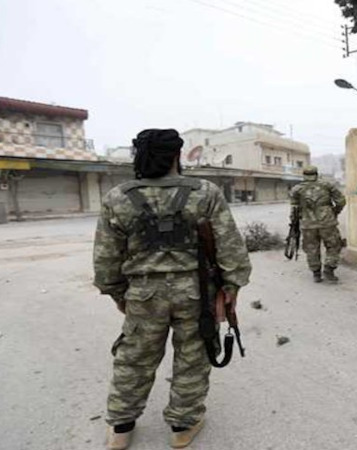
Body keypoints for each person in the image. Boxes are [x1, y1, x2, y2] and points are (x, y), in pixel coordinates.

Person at [93, 129, 252, 449]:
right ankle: (182, 426)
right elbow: (230, 246)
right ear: (177, 156)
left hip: (143, 294)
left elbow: (106, 257)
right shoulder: (205, 192)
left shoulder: (117, 197)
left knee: (134, 360)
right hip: (197, 293)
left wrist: (117, 293)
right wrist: (231, 286)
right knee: (193, 359)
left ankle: (121, 429)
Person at [289, 165, 346, 283]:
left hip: (308, 224)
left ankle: (316, 273)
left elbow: (294, 210)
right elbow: (341, 201)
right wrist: (334, 212)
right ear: (316, 174)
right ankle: (329, 269)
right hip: (327, 222)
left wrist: (295, 223)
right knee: (334, 245)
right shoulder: (327, 185)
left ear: (304, 175)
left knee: (311, 248)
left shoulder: (296, 189)